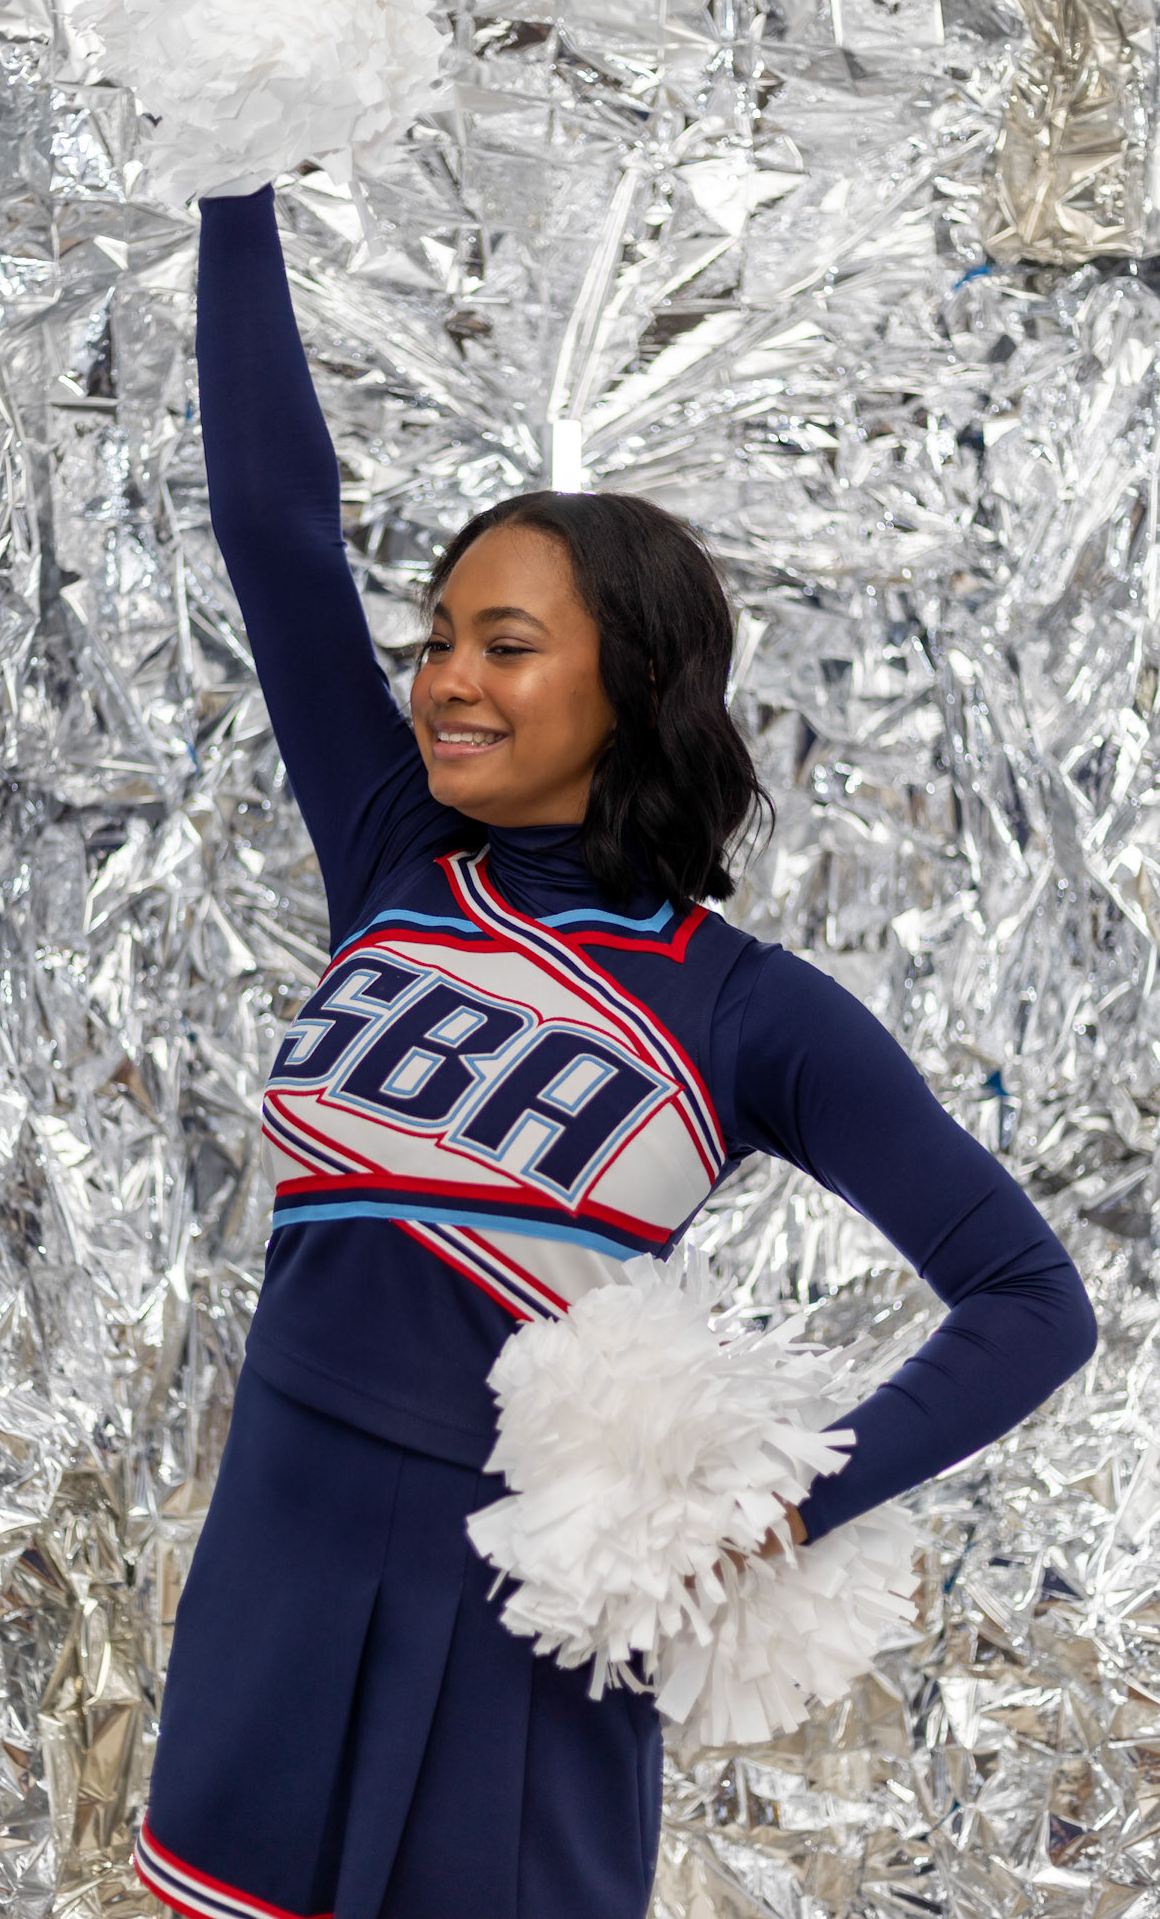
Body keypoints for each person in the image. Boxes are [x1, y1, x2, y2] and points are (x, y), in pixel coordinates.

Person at [132, 185, 1097, 1919]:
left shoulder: (743, 1008)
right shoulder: (396, 861)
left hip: (515, 1621)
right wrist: (235, 162)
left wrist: (769, 1517)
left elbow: (1034, 1299)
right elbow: (274, 525)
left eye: (506, 645)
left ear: (630, 680)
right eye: (436, 640)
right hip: (273, 1564)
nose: (444, 680)